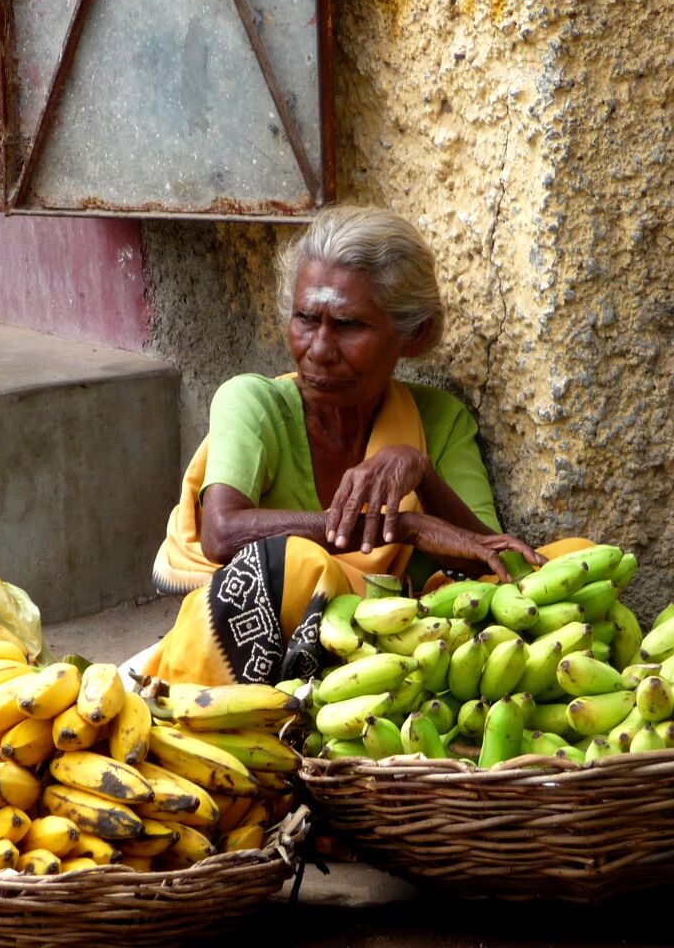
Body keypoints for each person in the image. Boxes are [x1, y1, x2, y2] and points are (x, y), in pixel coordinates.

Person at [147, 205, 585, 687]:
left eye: (350, 326)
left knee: (577, 558)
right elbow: (223, 533)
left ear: (411, 335)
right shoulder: (252, 401)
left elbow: (494, 563)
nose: (319, 348)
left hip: (400, 662)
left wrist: (419, 469)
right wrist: (404, 527)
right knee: (294, 566)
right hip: (262, 661)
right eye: (306, 318)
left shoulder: (437, 420)